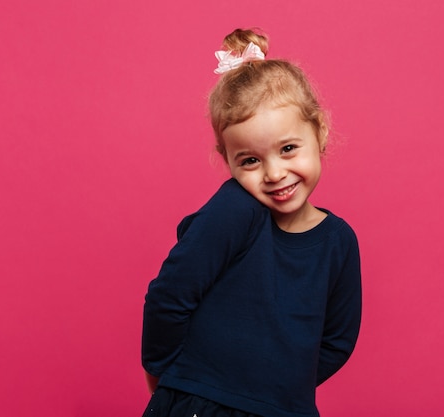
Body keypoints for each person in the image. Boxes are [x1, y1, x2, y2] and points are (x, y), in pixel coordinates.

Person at [141, 28, 362, 417]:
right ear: (227, 159)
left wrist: (272, 386)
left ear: (320, 133)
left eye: (288, 149)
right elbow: (169, 296)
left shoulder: (338, 241)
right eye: (250, 160)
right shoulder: (237, 211)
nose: (274, 173)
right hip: (201, 403)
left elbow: (336, 341)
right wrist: (167, 376)